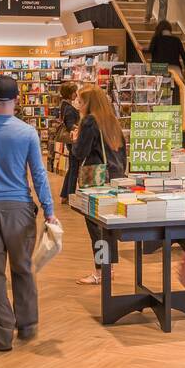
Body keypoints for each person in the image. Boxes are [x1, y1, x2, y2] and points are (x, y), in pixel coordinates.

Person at [0, 76, 59, 352]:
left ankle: (2, 336)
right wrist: (49, 209)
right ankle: (27, 324)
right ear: (17, 100)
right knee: (23, 267)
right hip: (19, 209)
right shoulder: (27, 133)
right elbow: (38, 174)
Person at [71, 84, 126, 285]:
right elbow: (122, 152)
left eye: (81, 100)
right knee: (107, 226)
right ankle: (108, 269)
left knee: (96, 228)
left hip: (97, 179)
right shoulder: (111, 120)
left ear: (89, 102)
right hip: (114, 177)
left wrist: (75, 139)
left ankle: (101, 272)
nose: (78, 104)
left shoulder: (89, 122)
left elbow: (80, 153)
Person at [55, 81, 81, 202]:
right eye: (74, 92)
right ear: (70, 94)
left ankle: (65, 195)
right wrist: (80, 128)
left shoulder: (64, 105)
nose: (76, 94)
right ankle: (70, 195)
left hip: (70, 141)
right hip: (73, 141)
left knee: (72, 168)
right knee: (74, 168)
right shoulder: (69, 108)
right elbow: (70, 125)